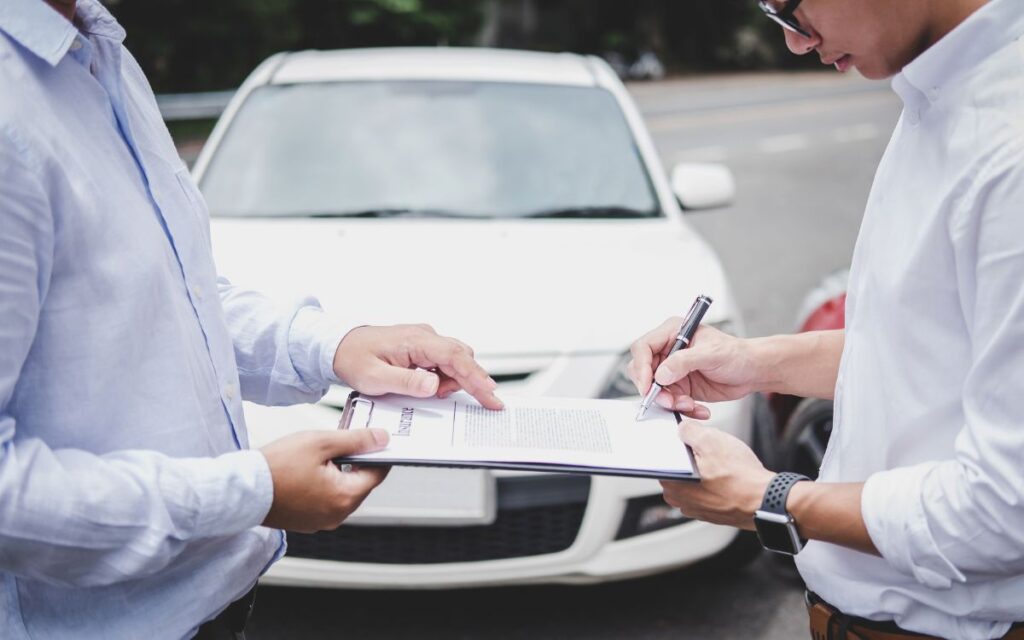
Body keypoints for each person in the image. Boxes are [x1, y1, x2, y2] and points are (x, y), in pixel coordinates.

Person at [0, 0, 503, 638]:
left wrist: (334, 346)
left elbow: (168, 296)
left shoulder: (103, 54)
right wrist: (252, 493)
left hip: (217, 608)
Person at [629, 0, 1024, 638]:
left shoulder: (1008, 142)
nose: (793, 40)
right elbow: (926, 348)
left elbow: (1007, 513)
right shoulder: (937, 95)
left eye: (791, 4)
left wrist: (767, 498)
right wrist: (752, 362)